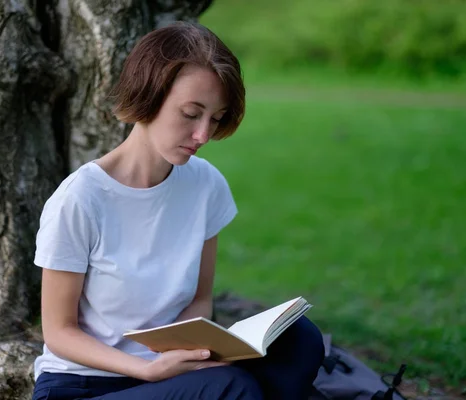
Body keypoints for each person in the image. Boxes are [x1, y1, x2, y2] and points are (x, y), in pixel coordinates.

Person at [31, 21, 324, 400]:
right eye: (190, 113)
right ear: (148, 95)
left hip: (172, 374)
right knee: (231, 388)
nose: (203, 135)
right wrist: (147, 369)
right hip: (86, 386)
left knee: (300, 341)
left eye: (215, 118)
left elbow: (199, 300)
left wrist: (195, 354)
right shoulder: (81, 198)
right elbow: (58, 332)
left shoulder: (205, 185)